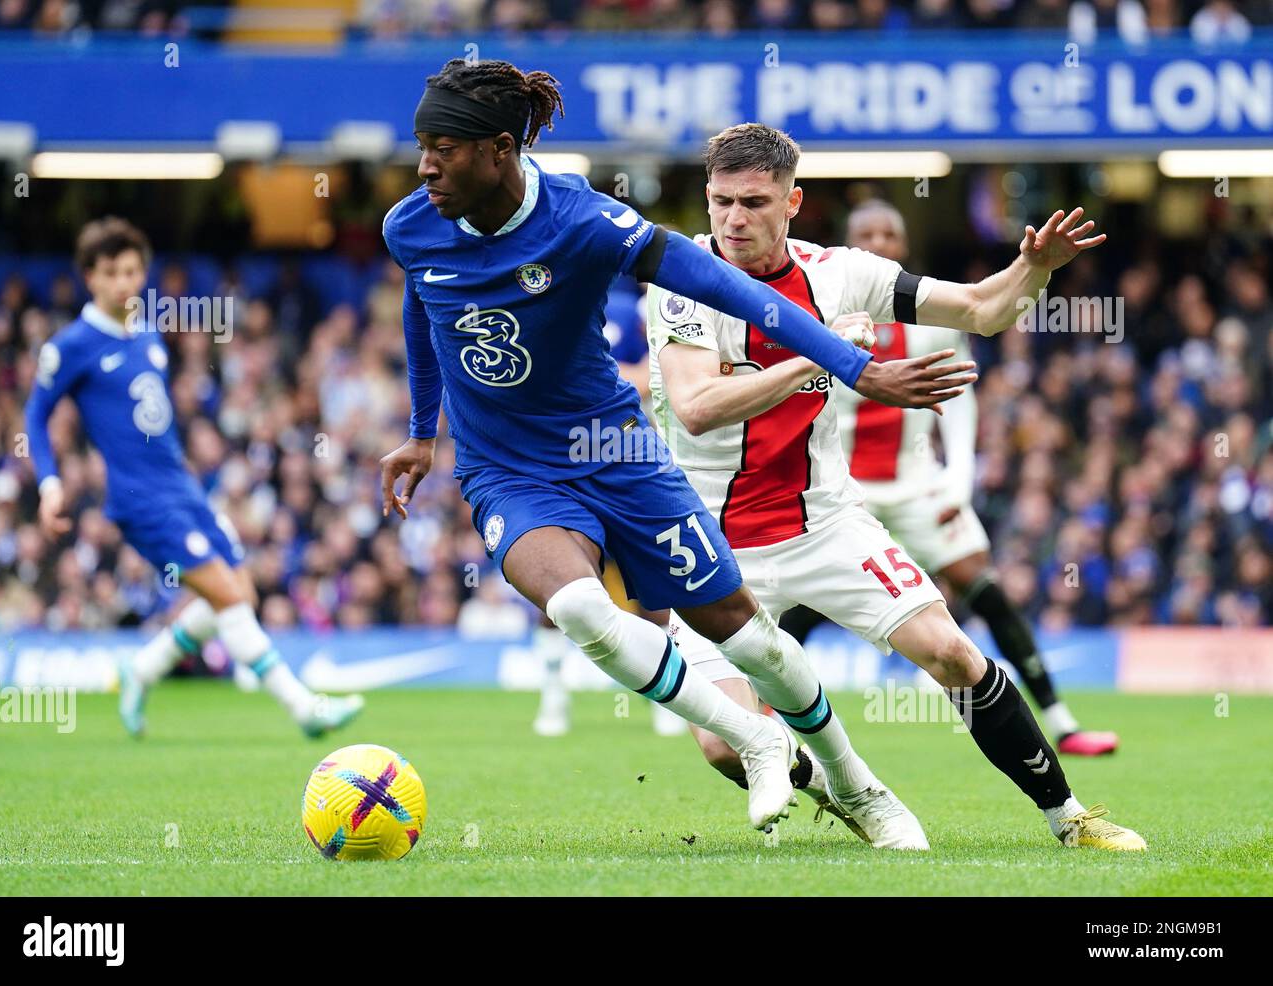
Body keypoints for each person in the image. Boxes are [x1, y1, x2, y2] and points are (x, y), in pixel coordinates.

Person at [379, 58, 972, 835]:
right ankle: (757, 738)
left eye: (443, 149)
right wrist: (424, 434)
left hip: (617, 453)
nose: (425, 167)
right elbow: (422, 310)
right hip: (508, 471)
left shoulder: (583, 220)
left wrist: (855, 365)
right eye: (422, 145)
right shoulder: (410, 225)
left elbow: (737, 291)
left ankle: (857, 786)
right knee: (580, 608)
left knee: (746, 633)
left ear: (498, 149)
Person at [646, 123, 1144, 850]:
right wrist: (830, 354)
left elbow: (980, 308)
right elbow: (696, 407)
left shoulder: (841, 273)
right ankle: (856, 794)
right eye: (721, 202)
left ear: (793, 202)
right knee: (725, 745)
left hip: (825, 523)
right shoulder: (683, 282)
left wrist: (1035, 268)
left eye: (753, 202)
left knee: (951, 652)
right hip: (712, 548)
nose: (733, 221)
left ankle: (1069, 818)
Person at [783, 198, 1120, 758]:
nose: (878, 241)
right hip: (845, 491)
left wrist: (958, 478)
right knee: (811, 603)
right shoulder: (821, 307)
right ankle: (758, 708)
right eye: (865, 232)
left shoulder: (926, 315)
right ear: (847, 245)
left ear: (903, 246)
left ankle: (1061, 722)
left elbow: (961, 397)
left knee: (984, 589)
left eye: (889, 232)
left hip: (918, 485)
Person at [24, 217, 364, 739]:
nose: (124, 282)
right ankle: (303, 708)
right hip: (139, 500)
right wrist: (50, 487)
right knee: (228, 596)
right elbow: (35, 418)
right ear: (90, 277)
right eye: (111, 272)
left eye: (133, 270)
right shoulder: (71, 346)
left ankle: (141, 670)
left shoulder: (147, 332)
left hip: (181, 487)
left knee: (239, 594)